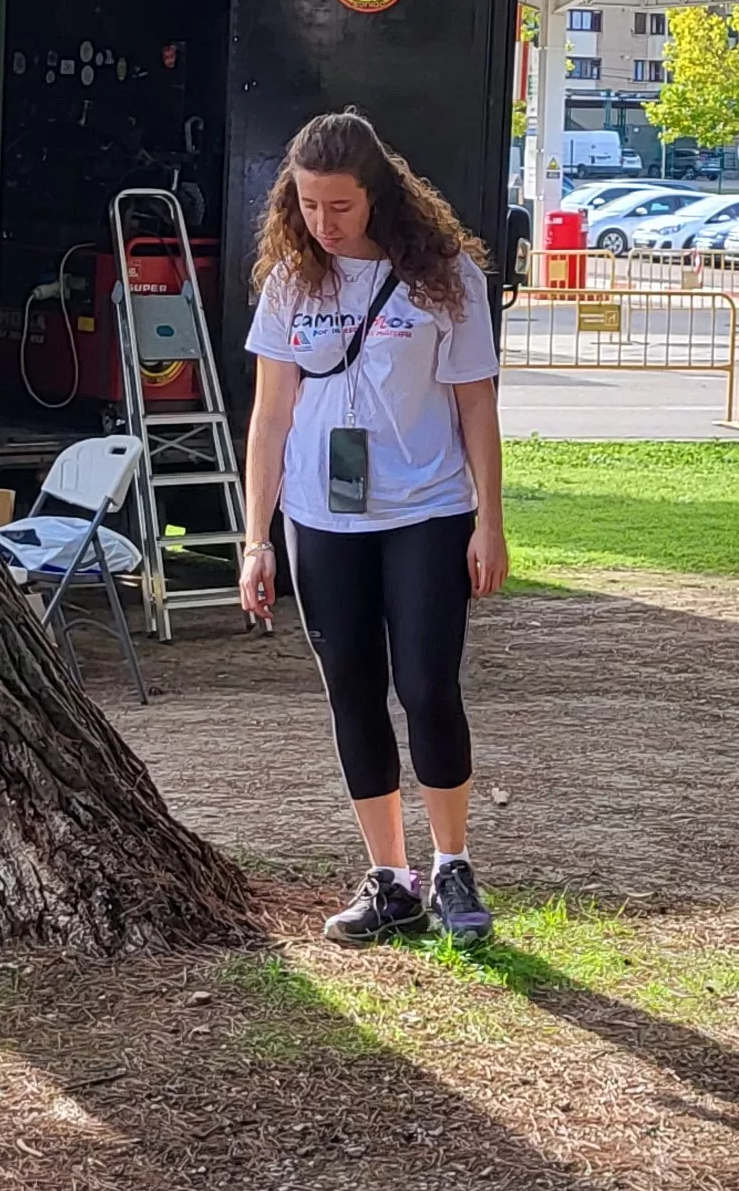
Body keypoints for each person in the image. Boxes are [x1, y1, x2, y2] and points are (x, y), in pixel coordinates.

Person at [237, 110, 510, 950]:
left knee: (427, 687)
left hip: (425, 508)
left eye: (341, 207)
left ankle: (453, 861)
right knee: (350, 689)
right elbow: (271, 415)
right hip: (322, 516)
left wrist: (490, 521)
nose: (324, 223)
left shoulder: (446, 276)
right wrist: (256, 536)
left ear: (378, 197)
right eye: (309, 206)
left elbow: (476, 407)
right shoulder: (290, 280)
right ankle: (391, 877)